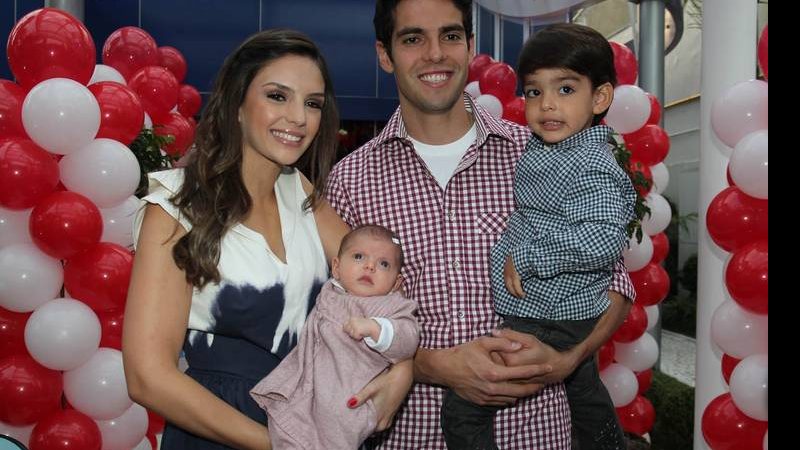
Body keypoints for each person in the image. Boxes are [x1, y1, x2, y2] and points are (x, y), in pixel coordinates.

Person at [326, 1, 636, 448]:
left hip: (537, 434)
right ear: (384, 54)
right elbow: (337, 321)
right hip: (407, 437)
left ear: (470, 46)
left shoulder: (539, 154)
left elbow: (616, 284)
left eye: (450, 36)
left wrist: (568, 359)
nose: (435, 53)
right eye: (413, 39)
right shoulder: (351, 181)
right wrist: (431, 364)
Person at [122, 29, 412, 450]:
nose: (298, 117)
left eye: (312, 103)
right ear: (237, 104)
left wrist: (403, 364)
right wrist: (278, 444)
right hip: (222, 431)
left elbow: (379, 284)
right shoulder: (174, 205)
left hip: (311, 425)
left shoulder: (302, 193)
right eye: (278, 96)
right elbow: (147, 377)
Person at [440, 23, 637, 450]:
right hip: (555, 306)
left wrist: (529, 258)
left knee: (464, 406)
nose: (547, 104)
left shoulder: (591, 165)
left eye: (565, 90)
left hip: (553, 314)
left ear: (600, 98)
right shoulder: (546, 148)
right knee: (584, 391)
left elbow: (602, 242)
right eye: (534, 92)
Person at [250, 224, 420, 450]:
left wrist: (375, 328)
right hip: (307, 384)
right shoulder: (331, 290)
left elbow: (408, 339)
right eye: (359, 257)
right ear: (337, 268)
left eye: (383, 264)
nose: (370, 266)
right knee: (288, 427)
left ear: (396, 283)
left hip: (349, 393)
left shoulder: (392, 306)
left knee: (336, 426)